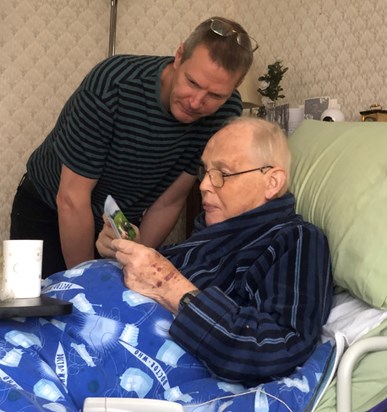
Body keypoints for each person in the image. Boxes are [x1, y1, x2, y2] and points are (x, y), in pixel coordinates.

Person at [10, 17, 258, 278]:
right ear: (179, 55)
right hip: (49, 207)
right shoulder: (113, 83)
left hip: (117, 223)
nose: (197, 102)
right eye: (192, 83)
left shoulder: (225, 112)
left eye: (215, 95)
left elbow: (170, 202)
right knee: (41, 309)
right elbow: (72, 198)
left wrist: (135, 265)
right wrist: (87, 282)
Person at [96, 117, 333, 383]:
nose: (204, 185)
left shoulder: (295, 239)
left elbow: (279, 348)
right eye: (205, 171)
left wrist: (167, 284)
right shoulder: (210, 235)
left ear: (272, 182)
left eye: (222, 173)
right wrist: (133, 253)